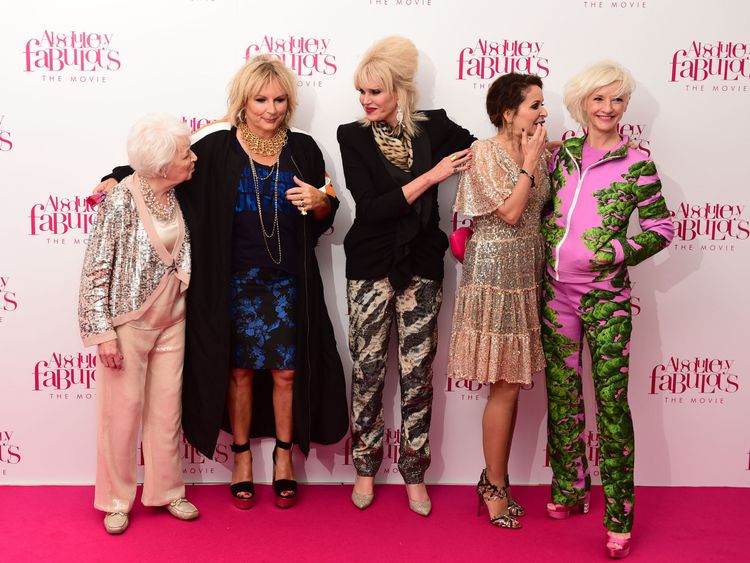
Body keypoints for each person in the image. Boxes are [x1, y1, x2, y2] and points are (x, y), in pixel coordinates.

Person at [97, 55, 349, 510]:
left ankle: (285, 459)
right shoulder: (215, 147)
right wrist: (119, 178)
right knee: (238, 373)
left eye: (279, 99)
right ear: (243, 102)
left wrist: (319, 203)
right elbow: (164, 169)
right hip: (232, 284)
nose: (271, 109)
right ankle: (241, 462)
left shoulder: (306, 149)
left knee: (288, 372)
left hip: (289, 282)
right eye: (260, 99)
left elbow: (327, 212)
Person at [541, 61, 674, 558]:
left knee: (612, 406)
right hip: (556, 295)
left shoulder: (638, 163)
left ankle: (619, 516)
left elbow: (661, 230)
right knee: (562, 395)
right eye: (599, 99)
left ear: (625, 107)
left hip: (606, 300)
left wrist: (615, 253)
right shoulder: (564, 155)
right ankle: (571, 488)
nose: (608, 108)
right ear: (582, 104)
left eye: (617, 100)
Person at [337, 36, 474, 516]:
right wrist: (433, 177)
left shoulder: (434, 128)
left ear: (400, 90)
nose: (366, 100)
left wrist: (540, 141)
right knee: (368, 373)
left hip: (422, 266)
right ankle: (365, 469)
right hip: (370, 266)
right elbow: (372, 209)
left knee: (417, 376)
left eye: (375, 91)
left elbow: (487, 153)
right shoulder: (351, 135)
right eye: (361, 92)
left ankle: (415, 474)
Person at [79, 113, 199, 534]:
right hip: (127, 324)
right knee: (121, 414)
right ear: (164, 164)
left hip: (173, 319)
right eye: (186, 153)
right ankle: (115, 498)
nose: (194, 158)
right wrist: (102, 334)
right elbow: (96, 270)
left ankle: (167, 492)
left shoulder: (179, 193)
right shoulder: (119, 200)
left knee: (166, 413)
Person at [447, 73, 550, 529]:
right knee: (504, 386)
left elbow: (539, 214)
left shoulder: (539, 155)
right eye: (534, 105)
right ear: (508, 112)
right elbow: (509, 212)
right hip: (492, 275)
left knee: (510, 385)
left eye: (543, 105)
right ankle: (493, 485)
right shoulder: (483, 153)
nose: (542, 113)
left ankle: (495, 481)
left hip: (526, 274)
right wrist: (528, 163)